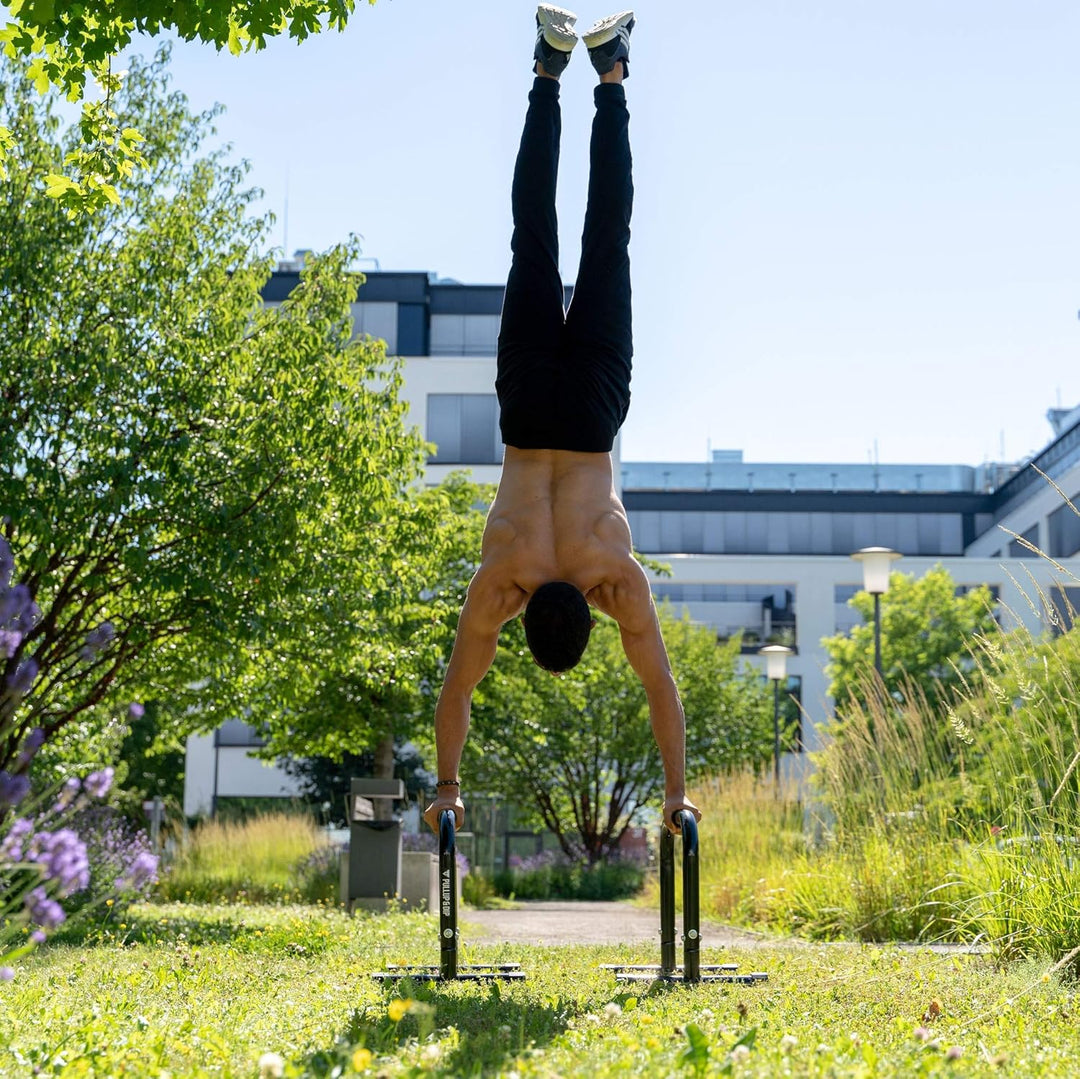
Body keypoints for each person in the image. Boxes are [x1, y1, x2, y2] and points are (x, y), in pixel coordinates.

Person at [423, 7, 701, 838]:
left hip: (590, 418)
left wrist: (678, 789)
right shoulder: (499, 580)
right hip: (526, 408)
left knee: (604, 242)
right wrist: (445, 781)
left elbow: (661, 690)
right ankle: (547, 73)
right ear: (519, 617)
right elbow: (456, 692)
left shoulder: (615, 577)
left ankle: (608, 77)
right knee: (532, 243)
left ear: (591, 613)